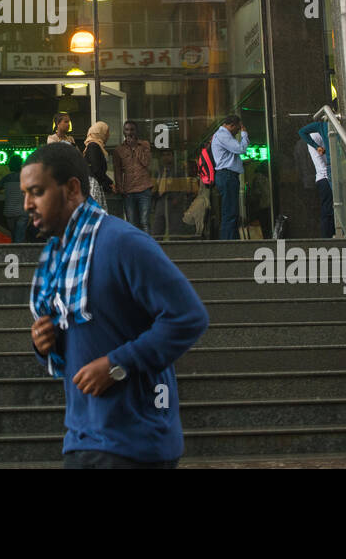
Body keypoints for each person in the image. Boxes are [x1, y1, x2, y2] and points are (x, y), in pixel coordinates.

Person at [24, 142, 209, 468]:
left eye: (37, 192)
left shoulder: (122, 242)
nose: (27, 204)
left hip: (134, 443)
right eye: (25, 193)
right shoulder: (59, 258)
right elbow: (86, 342)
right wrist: (46, 344)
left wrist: (116, 365)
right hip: (83, 437)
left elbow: (188, 317)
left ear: (71, 189)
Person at [210, 114, 248, 240]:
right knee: (230, 212)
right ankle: (228, 243)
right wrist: (244, 134)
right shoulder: (223, 135)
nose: (238, 130)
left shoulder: (222, 135)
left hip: (227, 175)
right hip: (227, 176)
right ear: (232, 125)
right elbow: (241, 149)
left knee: (231, 211)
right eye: (238, 128)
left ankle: (233, 241)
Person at [111, 120, 154, 232]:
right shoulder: (118, 150)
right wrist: (120, 187)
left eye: (132, 130)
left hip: (144, 188)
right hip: (129, 191)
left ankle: (147, 248)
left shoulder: (144, 145)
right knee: (132, 223)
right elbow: (117, 171)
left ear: (136, 131)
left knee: (145, 222)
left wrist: (135, 147)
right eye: (127, 130)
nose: (129, 132)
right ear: (123, 132)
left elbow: (146, 162)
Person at [0, 153, 31, 242]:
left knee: (13, 236)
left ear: (11, 165)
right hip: (22, 212)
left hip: (9, 212)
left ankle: (14, 253)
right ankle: (19, 254)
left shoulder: (6, 178)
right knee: (19, 238)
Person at [82, 121, 113, 206]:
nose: (108, 135)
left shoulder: (96, 146)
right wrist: (109, 183)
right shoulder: (93, 146)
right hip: (93, 185)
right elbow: (97, 169)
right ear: (100, 133)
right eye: (107, 132)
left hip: (95, 184)